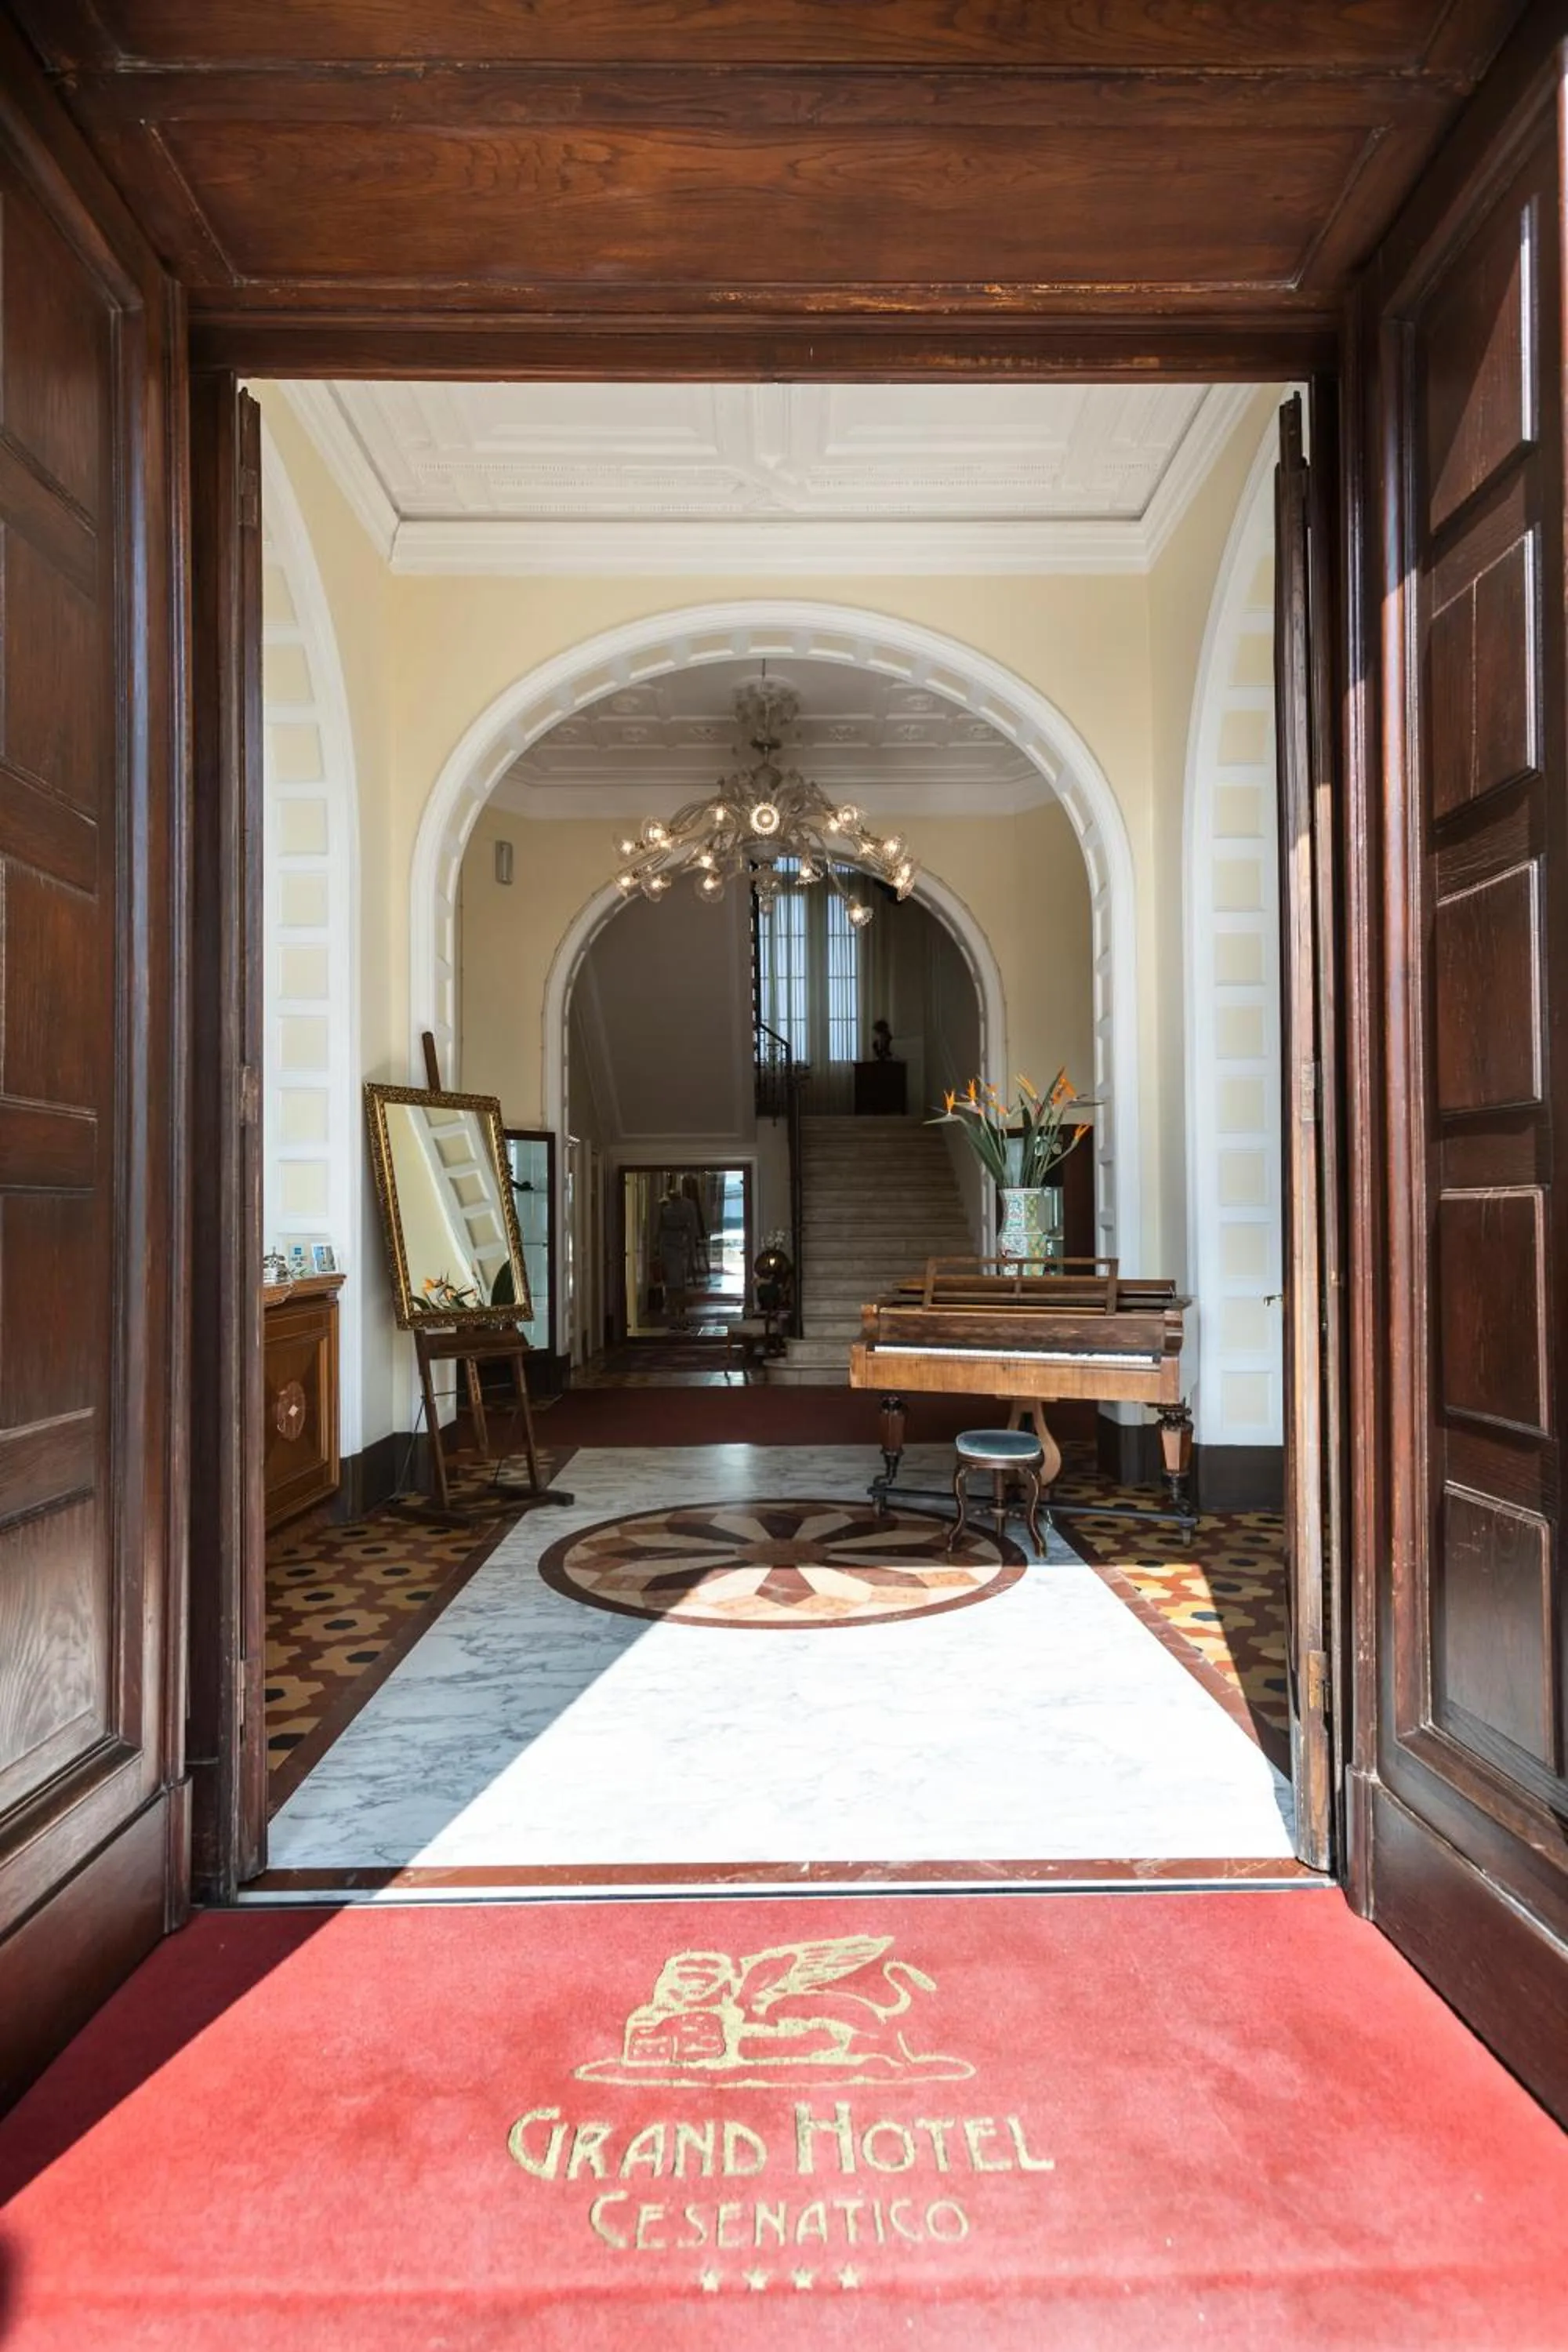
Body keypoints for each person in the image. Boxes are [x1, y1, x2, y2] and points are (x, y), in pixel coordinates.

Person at [655, 1184, 702, 1330]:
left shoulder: (686, 1205)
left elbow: (692, 1226)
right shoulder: (664, 1205)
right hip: (670, 1246)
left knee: (680, 1284)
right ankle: (674, 1316)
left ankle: (679, 1316)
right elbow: (658, 1227)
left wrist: (692, 1246)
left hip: (680, 1246)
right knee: (672, 1284)